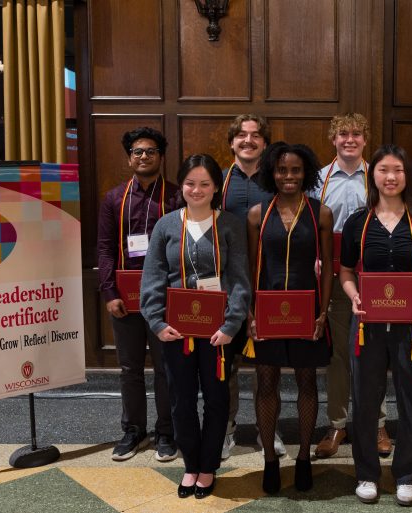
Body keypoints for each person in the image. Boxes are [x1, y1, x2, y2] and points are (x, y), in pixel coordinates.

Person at [140, 154, 251, 498]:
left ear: (216, 187)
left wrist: (232, 325)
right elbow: (153, 277)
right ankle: (191, 465)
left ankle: (209, 466)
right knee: (181, 400)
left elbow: (239, 280)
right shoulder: (166, 225)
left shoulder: (230, 225)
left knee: (217, 399)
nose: (197, 190)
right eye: (190, 183)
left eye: (205, 183)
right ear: (182, 186)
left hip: (218, 333)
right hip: (176, 332)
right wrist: (157, 322)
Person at [340, 144, 412, 506]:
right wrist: (353, 295)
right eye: (383, 169)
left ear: (406, 175)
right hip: (367, 323)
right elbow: (346, 271)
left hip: (411, 324)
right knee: (365, 401)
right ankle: (367, 473)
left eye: (397, 170)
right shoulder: (358, 221)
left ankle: (406, 474)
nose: (390, 177)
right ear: (374, 175)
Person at [246, 142, 334, 494]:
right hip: (267, 313)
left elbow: (327, 267)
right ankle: (269, 458)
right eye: (282, 170)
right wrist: (250, 314)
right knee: (266, 384)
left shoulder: (320, 213)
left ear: (306, 173)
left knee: (307, 384)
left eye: (296, 170)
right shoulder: (257, 214)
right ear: (271, 172)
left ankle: (302, 459)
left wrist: (323, 312)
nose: (288, 176)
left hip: (306, 312)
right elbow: (250, 268)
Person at [310, 113, 392, 459]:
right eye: (343, 134)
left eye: (356, 134)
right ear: (333, 139)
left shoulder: (378, 176)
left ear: (365, 139)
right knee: (340, 354)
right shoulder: (318, 179)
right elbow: (310, 221)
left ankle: (376, 424)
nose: (349, 140)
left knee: (375, 352)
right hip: (333, 276)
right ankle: (337, 423)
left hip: (372, 276)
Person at [97, 126, 179, 462]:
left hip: (165, 299)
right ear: (129, 157)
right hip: (125, 301)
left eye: (150, 151)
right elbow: (104, 248)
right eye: (137, 152)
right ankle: (132, 431)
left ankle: (167, 432)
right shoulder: (114, 198)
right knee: (130, 368)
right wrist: (108, 292)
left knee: (165, 368)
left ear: (161, 156)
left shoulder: (176, 197)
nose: (143, 157)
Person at [219, 114, 285, 459]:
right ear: (232, 142)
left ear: (265, 142)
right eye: (242, 135)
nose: (248, 140)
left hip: (268, 283)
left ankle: (266, 429)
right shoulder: (217, 181)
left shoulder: (276, 179)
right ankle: (226, 430)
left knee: (267, 364)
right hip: (226, 284)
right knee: (226, 363)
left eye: (256, 135)